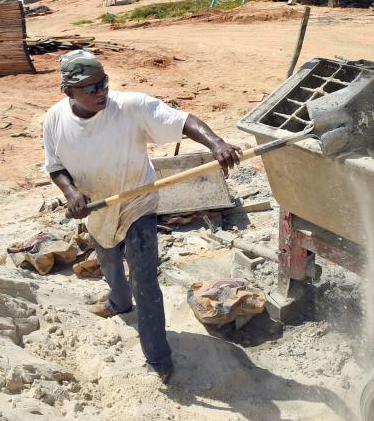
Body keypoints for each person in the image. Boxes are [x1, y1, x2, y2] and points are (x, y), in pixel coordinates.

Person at [43, 49, 241, 384]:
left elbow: (182, 121)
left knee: (145, 280)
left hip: (138, 204)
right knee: (108, 260)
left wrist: (216, 143)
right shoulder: (55, 120)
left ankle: (158, 358)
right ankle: (119, 303)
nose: (100, 91)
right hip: (97, 208)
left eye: (102, 82)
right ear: (68, 92)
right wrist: (72, 193)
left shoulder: (130, 107)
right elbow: (55, 166)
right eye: (89, 88)